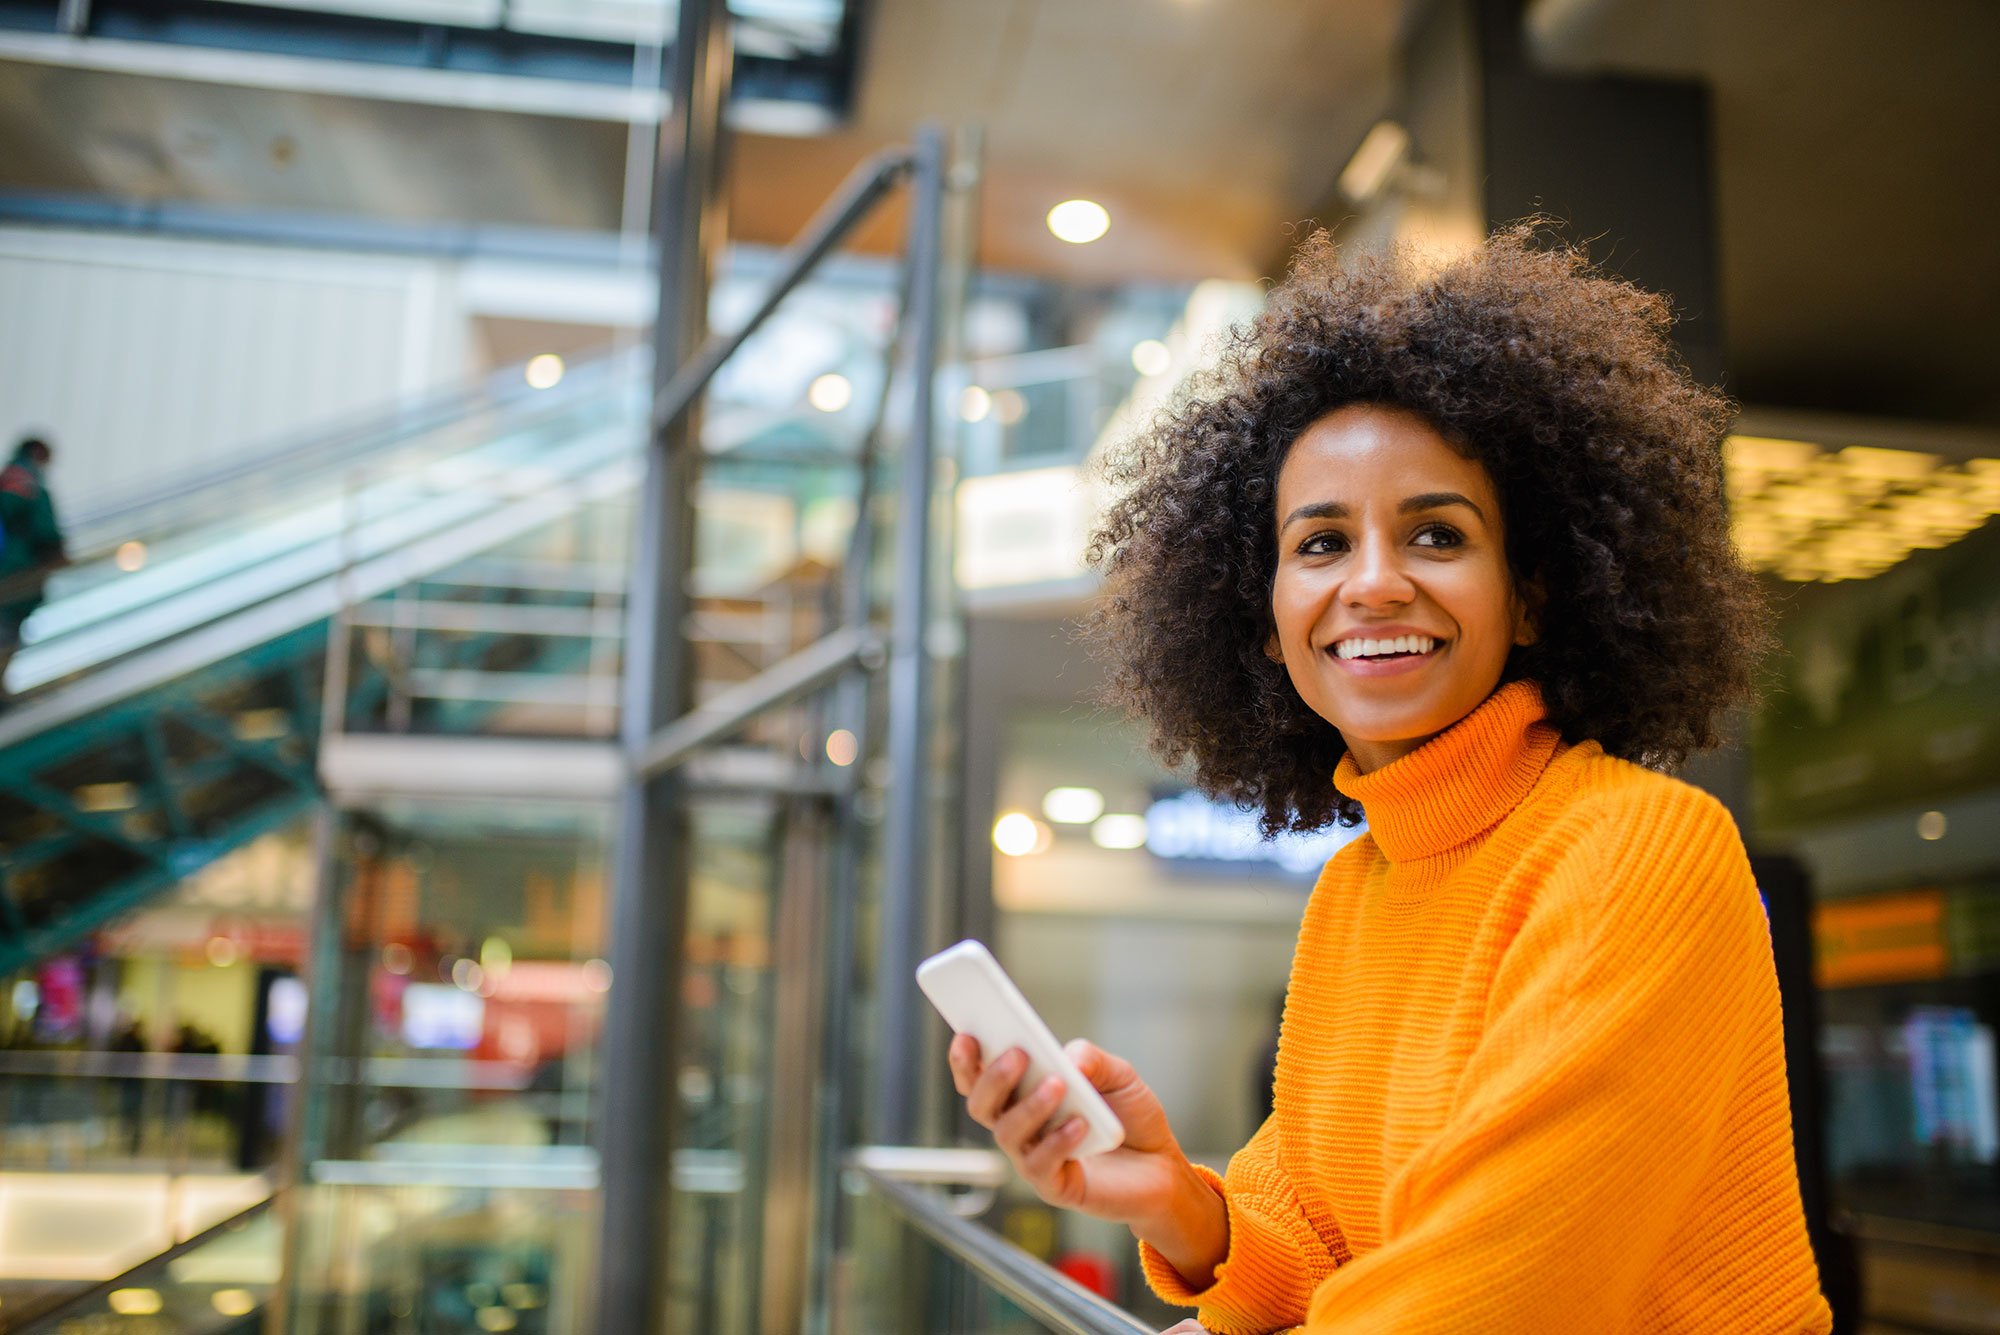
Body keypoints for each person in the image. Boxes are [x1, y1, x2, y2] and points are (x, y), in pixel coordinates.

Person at [948, 225, 1835, 1333]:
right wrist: (1170, 1196)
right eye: (1319, 544)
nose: (1371, 584)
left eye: (1434, 534)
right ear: (1261, 620)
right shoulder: (1356, 887)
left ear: (1530, 595)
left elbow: (1492, 1298)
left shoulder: (1638, 850)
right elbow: (1320, 1250)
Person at [0, 435, 68, 702]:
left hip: (8, 567)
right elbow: (43, 523)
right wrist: (55, 550)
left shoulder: (8, 476)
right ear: (38, 452)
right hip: (18, 569)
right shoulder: (27, 480)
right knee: (9, 629)